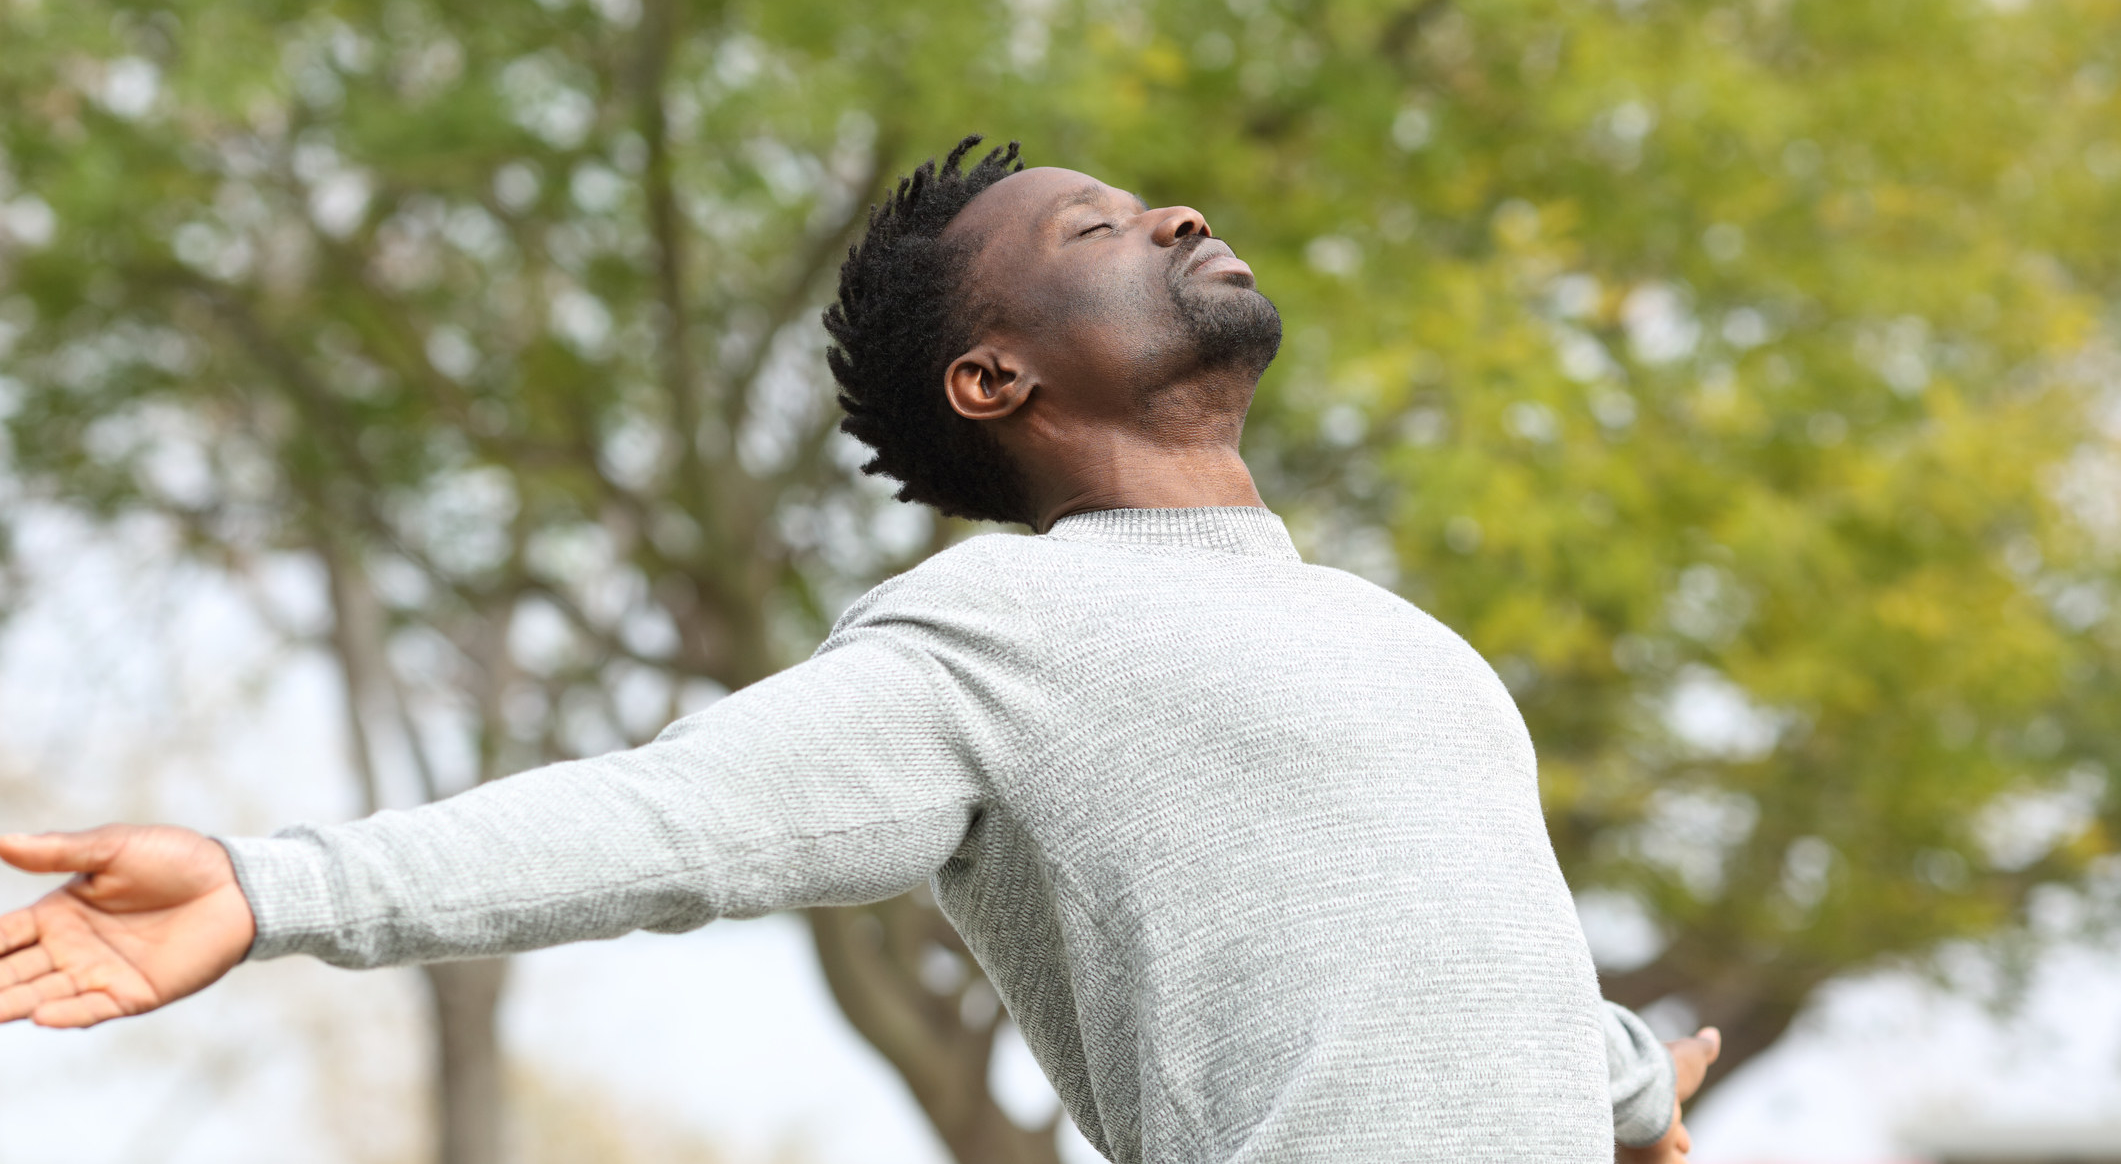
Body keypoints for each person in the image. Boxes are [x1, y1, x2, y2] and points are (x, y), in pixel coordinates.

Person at [0, 138, 1719, 1161]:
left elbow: (1438, 986)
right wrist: (269, 882)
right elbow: (669, 818)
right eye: (1099, 230)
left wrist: (1628, 1086)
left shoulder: (1405, 642)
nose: (1178, 215)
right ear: (996, 380)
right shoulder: (997, 636)